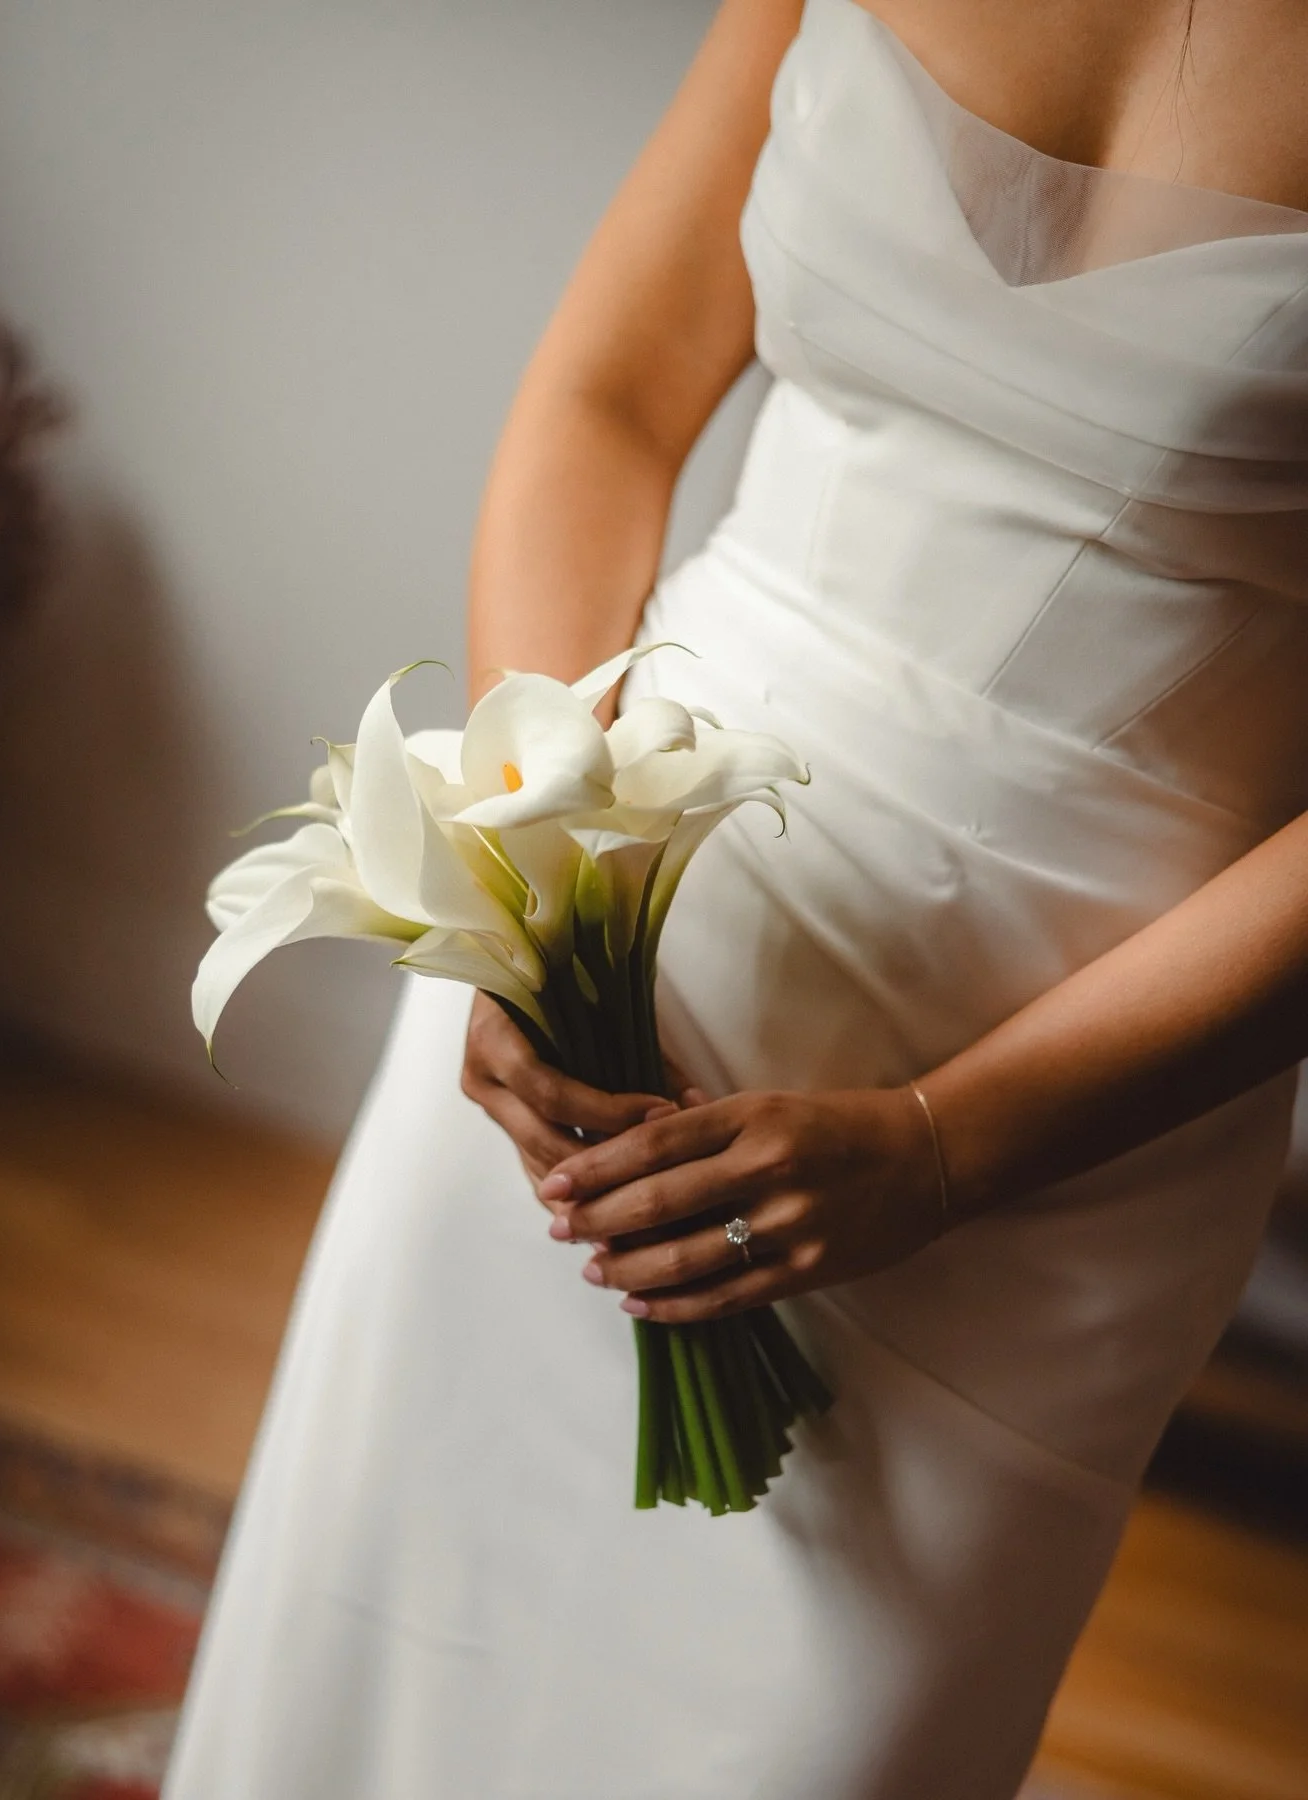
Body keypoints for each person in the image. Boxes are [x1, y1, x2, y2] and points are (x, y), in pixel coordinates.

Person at [165, 2, 1308, 1794]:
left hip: (1058, 1141)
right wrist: (522, 887)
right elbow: (609, 397)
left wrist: (944, 1147)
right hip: (598, 986)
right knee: (387, 1664)